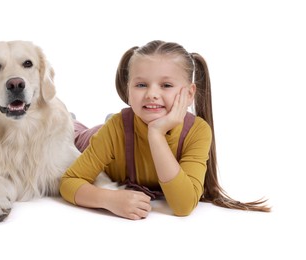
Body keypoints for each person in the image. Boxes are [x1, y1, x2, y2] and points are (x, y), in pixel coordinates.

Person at [60, 40, 270, 220]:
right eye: (141, 85)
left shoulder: (198, 131)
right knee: (72, 133)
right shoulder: (115, 128)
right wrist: (108, 199)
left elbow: (183, 205)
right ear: (128, 90)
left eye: (166, 85)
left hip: (130, 129)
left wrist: (156, 134)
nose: (152, 94)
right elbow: (69, 182)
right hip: (96, 136)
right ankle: (69, 119)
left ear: (189, 94)